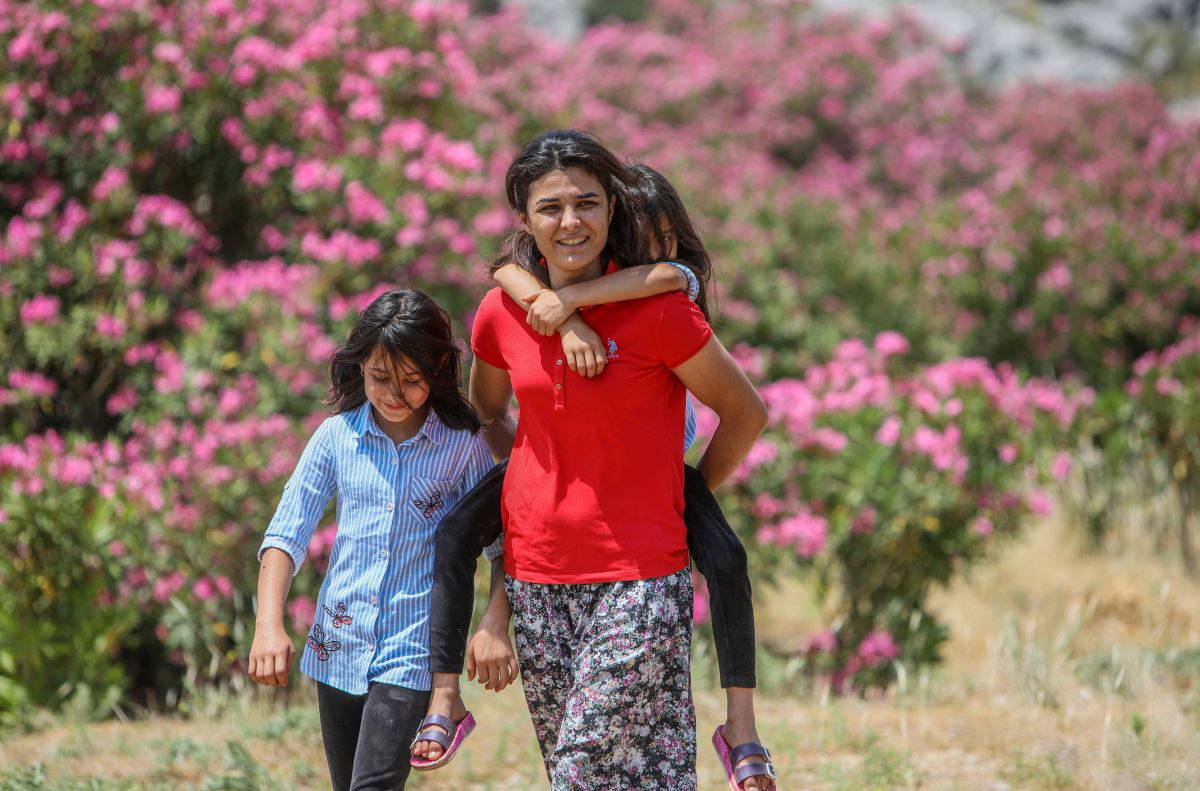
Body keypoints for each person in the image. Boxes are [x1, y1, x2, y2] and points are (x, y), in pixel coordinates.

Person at [412, 162, 776, 789]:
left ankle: (742, 722)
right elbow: (491, 410)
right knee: (634, 772)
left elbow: (746, 413)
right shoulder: (502, 310)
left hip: (640, 572)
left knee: (578, 769)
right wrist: (530, 477)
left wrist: (684, 492)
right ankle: (446, 697)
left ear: (612, 212)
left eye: (587, 204)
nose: (571, 221)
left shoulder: (664, 310)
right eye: (550, 207)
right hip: (538, 576)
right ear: (525, 219)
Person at [247, 289, 510, 790]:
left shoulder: (463, 447)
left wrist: (495, 623)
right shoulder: (335, 438)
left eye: (412, 381)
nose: (394, 394)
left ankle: (445, 707)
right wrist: (267, 626)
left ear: (436, 370)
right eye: (379, 377)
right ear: (359, 366)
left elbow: (503, 549)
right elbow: (286, 534)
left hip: (412, 651)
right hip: (336, 647)